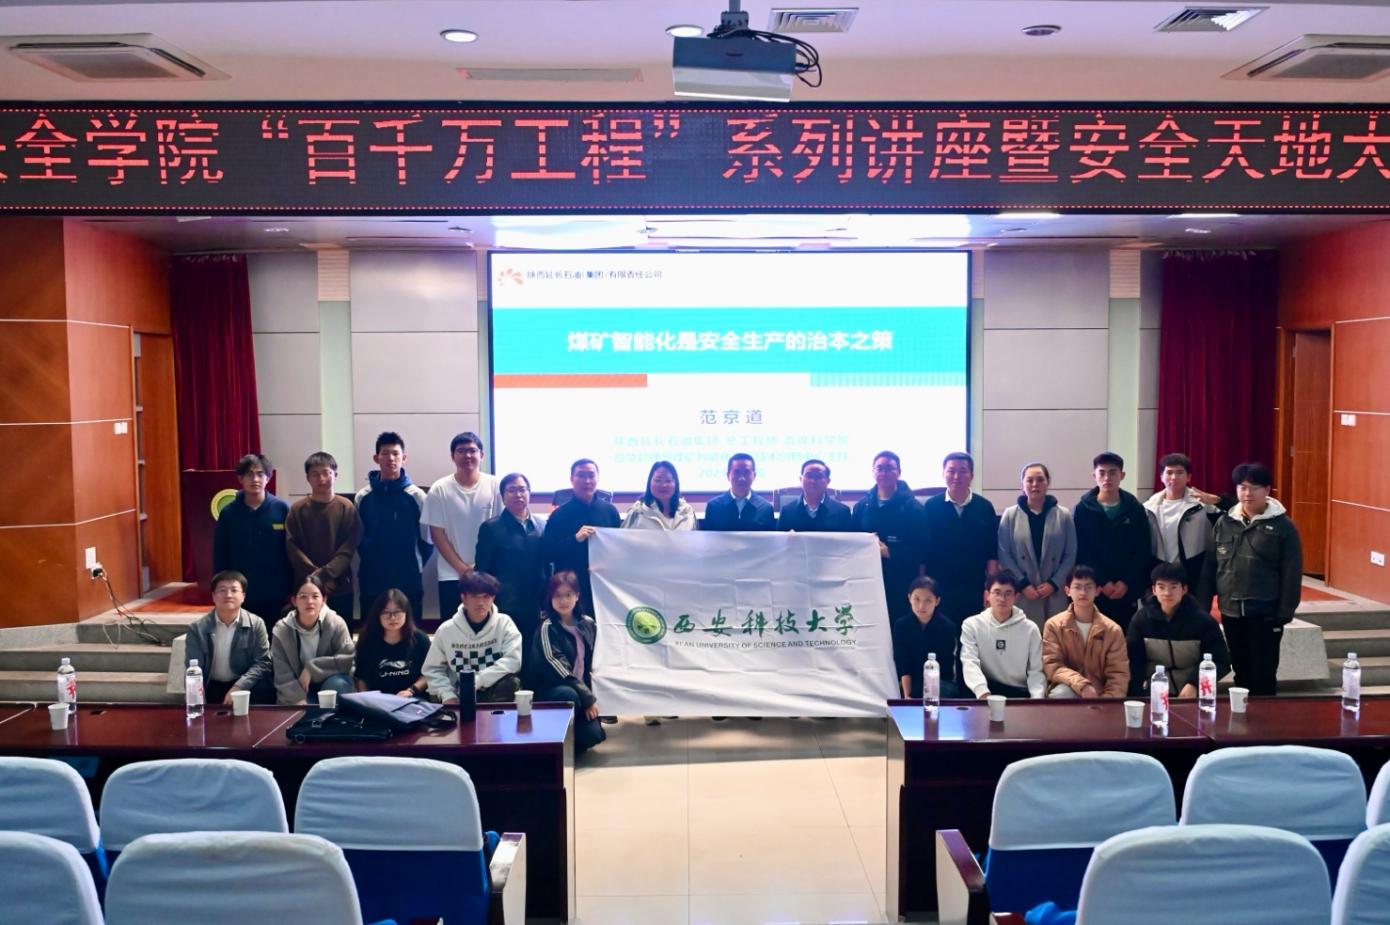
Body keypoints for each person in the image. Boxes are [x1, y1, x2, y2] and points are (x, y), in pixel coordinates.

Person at [1198, 462, 1303, 696]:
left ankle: (1264, 717)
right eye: (1243, 487)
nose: (1248, 493)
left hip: (1265, 612)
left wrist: (1284, 612)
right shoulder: (1225, 523)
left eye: (1255, 488)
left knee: (1263, 673)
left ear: (1267, 490)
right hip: (1231, 610)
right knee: (1241, 670)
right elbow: (1210, 566)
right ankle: (1242, 716)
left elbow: (1292, 572)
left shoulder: (1283, 526)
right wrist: (1202, 608)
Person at [354, 431, 431, 625]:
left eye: (396, 454)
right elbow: (358, 537)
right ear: (376, 458)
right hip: (372, 575)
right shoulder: (363, 497)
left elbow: (427, 539)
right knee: (371, 627)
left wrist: (414, 562)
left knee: (410, 628)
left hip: (408, 574)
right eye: (385, 453)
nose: (391, 458)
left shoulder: (417, 496)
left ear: (404, 458)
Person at [423, 432, 501, 620]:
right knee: (453, 626)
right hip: (451, 574)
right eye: (461, 451)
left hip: (489, 573)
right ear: (452, 456)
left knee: (490, 627)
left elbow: (501, 529)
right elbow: (437, 534)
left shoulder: (495, 486)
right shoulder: (439, 489)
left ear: (482, 455)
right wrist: (463, 570)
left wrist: (480, 567)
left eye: (472, 451)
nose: (467, 455)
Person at [527, 571, 606, 754]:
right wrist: (588, 698)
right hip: (552, 690)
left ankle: (567, 743)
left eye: (568, 594)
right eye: (557, 595)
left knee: (593, 736)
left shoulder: (588, 624)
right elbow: (558, 668)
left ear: (577, 596)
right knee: (568, 694)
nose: (563, 600)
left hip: (581, 692)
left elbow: (599, 658)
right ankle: (553, 744)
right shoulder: (547, 628)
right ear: (550, 598)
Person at [1072, 452, 1152, 632]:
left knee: (1124, 637)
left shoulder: (1135, 508)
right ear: (1094, 476)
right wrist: (1102, 581)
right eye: (1102, 473)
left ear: (1122, 475)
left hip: (1126, 588)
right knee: (1093, 636)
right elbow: (1082, 550)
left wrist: (1126, 581)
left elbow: (1142, 549)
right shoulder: (1082, 509)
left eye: (1113, 473)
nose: (1107, 478)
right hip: (1094, 587)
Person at [1129, 562, 1232, 698]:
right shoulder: (1141, 620)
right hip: (1154, 693)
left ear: (1184, 589)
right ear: (1153, 590)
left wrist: (1195, 684)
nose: (1167, 593)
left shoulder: (1203, 621)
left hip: (1193, 695)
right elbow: (1133, 663)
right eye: (1161, 587)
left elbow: (1221, 661)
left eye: (1173, 587)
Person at [212, 453, 292, 629]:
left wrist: (291, 588)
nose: (255, 479)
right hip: (240, 593)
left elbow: (291, 551)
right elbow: (220, 553)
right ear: (240, 479)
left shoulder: (282, 509)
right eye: (249, 474)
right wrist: (221, 588)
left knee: (275, 639)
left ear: (268, 478)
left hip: (276, 593)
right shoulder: (228, 513)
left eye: (260, 474)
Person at [475, 472, 548, 659]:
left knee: (532, 656)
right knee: (506, 656)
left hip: (535, 604)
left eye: (522, 489)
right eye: (512, 490)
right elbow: (482, 572)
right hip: (505, 605)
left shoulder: (542, 526)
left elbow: (548, 566)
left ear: (529, 493)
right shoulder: (491, 528)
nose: (518, 494)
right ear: (503, 496)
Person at [422, 570, 523, 704]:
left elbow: (513, 661)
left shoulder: (505, 623)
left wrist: (478, 680)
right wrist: (447, 695)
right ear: (463, 598)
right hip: (458, 694)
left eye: (486, 596)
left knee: (512, 682)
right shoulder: (446, 630)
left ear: (493, 598)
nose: (480, 602)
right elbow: (432, 669)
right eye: (474, 596)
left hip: (495, 690)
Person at [922, 451, 999, 621]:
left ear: (971, 475)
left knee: (971, 630)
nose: (956, 476)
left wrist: (990, 587)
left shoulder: (984, 507)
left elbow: (992, 552)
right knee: (942, 631)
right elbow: (924, 551)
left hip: (973, 586)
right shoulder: (931, 506)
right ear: (943, 474)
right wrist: (923, 585)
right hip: (939, 586)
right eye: (951, 471)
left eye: (963, 471)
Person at [997, 462, 1076, 628]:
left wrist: (1054, 583)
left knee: (1054, 637)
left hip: (1054, 591)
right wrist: (1023, 584)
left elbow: (1070, 553)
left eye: (1040, 480)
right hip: (1023, 592)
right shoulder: (1010, 515)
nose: (1035, 484)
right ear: (1022, 484)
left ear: (1048, 482)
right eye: (1030, 480)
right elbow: (1004, 554)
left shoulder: (1064, 515)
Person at [285, 451, 358, 626]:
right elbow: (292, 546)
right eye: (315, 474)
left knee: (342, 634)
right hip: (306, 588)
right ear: (307, 478)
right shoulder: (297, 509)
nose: (321, 478)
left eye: (326, 472)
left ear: (335, 475)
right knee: (307, 632)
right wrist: (318, 579)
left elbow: (348, 547)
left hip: (339, 585)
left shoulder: (346, 507)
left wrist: (326, 575)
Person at [852, 451, 927, 620]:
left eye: (889, 468)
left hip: (900, 580)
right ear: (873, 472)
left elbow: (922, 550)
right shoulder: (861, 507)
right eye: (880, 468)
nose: (884, 473)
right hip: (867, 581)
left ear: (899, 472)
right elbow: (852, 543)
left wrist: (890, 552)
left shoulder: (914, 508)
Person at [542, 458, 622, 614]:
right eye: (581, 475)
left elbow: (618, 550)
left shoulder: (610, 511)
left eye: (591, 475)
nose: (587, 481)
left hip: (603, 585)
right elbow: (547, 553)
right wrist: (575, 539)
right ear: (572, 479)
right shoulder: (559, 515)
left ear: (598, 478)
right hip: (571, 589)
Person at [183, 570, 274, 706]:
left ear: (243, 596)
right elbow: (194, 670)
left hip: (244, 684)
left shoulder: (256, 624)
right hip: (211, 686)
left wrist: (239, 687)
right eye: (222, 590)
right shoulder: (197, 629)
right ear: (213, 596)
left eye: (234, 590)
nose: (228, 595)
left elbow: (263, 662)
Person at [1041, 566, 1130, 699]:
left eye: (1088, 587)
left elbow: (1118, 674)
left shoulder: (1112, 630)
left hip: (1100, 693)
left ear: (1098, 591)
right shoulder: (1054, 625)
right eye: (1077, 587)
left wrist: (1107, 701)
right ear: (1067, 591)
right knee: (1062, 694)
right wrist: (1082, 685)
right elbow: (1052, 665)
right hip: (1067, 687)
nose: (1083, 592)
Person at [270, 574, 356, 705]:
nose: (309, 602)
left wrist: (312, 669)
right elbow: (282, 674)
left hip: (331, 682)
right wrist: (297, 698)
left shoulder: (335, 623)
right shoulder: (281, 630)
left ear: (324, 600)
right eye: (303, 597)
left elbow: (347, 660)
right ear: (294, 600)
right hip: (298, 687)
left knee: (338, 685)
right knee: (304, 711)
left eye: (315, 596)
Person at [1143, 452, 1223, 591]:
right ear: (1161, 476)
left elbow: (1230, 517)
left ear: (1188, 477)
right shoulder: (1149, 507)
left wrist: (1217, 501)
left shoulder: (1202, 504)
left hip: (1194, 571)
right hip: (1160, 571)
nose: (1174, 477)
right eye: (1169, 472)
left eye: (1179, 472)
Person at [959, 571, 1045, 699]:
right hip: (986, 689)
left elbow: (1036, 670)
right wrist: (982, 693)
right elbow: (969, 662)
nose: (1002, 599)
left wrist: (1036, 699)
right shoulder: (972, 624)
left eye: (1008, 593)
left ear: (1016, 597)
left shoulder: (1030, 629)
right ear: (987, 595)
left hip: (1019, 691)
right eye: (997, 592)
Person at [892, 576, 963, 699]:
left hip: (940, 682)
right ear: (909, 598)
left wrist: (915, 693)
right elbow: (903, 662)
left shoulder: (948, 627)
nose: (921, 606)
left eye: (928, 600)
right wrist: (908, 696)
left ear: (937, 601)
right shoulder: (901, 625)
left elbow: (945, 666)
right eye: (917, 599)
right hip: (910, 683)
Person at [352, 589, 430, 697]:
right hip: (377, 701)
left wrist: (411, 691)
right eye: (386, 612)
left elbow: (428, 673)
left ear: (406, 613)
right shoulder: (367, 640)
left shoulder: (420, 639)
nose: (392, 617)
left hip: (413, 698)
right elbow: (361, 678)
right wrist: (367, 699)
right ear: (378, 615)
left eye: (397, 612)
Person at [701, 452, 776, 531]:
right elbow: (708, 537)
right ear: (728, 475)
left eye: (747, 472)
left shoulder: (765, 508)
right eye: (736, 472)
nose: (741, 478)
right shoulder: (714, 506)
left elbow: (770, 538)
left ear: (754, 476)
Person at [778, 458, 853, 532]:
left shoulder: (842, 512)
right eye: (809, 476)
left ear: (828, 481)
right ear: (801, 479)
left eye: (818, 476)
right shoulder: (787, 511)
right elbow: (778, 539)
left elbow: (848, 539)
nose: (813, 481)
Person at [623, 460, 697, 531]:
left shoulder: (687, 511)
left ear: (676, 484)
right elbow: (623, 537)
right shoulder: (637, 511)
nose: (663, 485)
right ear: (650, 483)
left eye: (668, 481)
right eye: (658, 480)